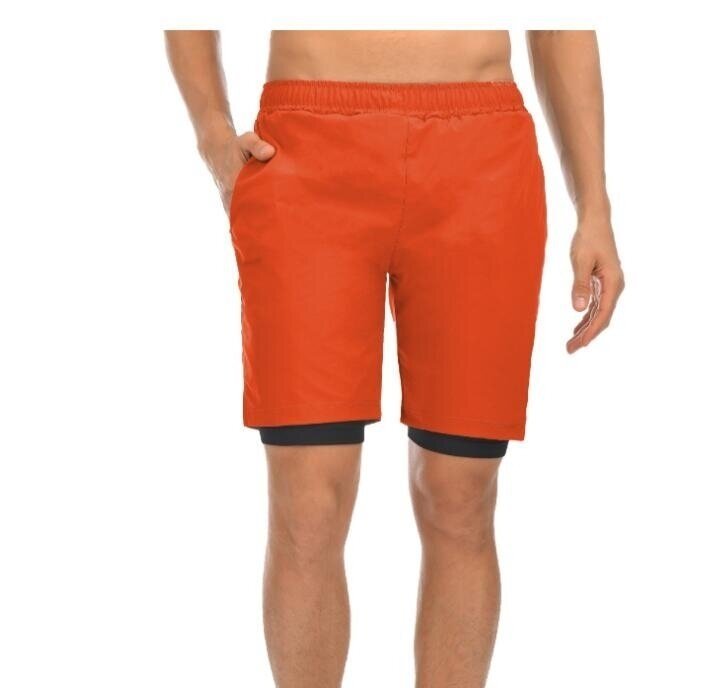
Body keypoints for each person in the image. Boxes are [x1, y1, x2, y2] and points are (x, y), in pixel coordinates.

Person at [165, 30, 624, 687]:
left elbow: (559, 24)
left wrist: (595, 207)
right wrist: (212, 133)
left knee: (460, 496)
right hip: (305, 152)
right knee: (308, 504)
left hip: (479, 155)